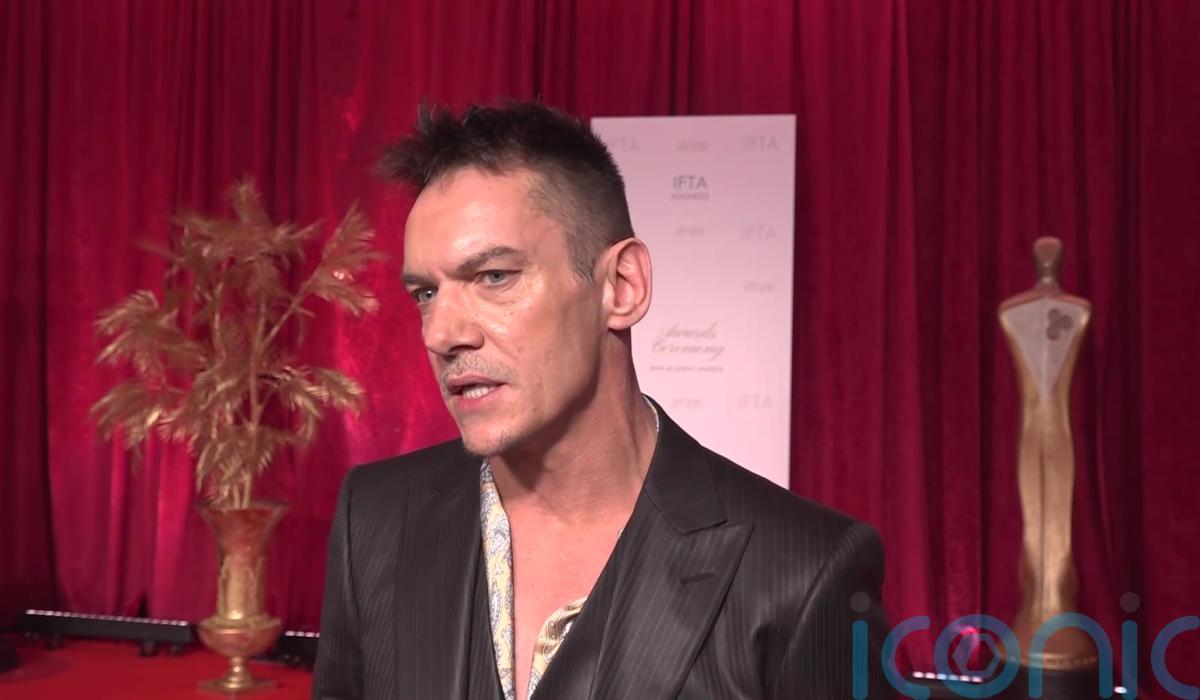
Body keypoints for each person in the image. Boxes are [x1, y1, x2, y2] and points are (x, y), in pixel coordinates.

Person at [312, 100, 889, 699]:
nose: (441, 333)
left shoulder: (803, 573)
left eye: (494, 277)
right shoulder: (373, 521)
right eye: (426, 293)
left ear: (621, 286)